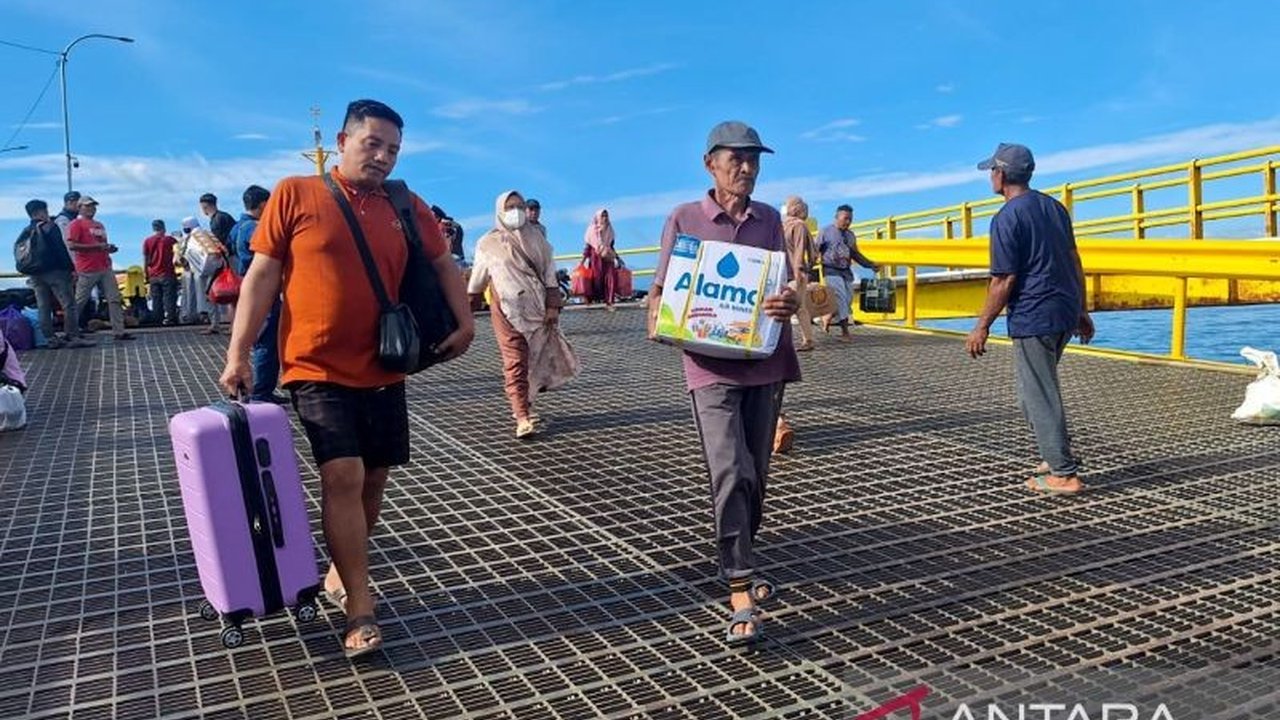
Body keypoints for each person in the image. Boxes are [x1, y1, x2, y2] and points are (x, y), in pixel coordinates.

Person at [219, 98, 474, 658]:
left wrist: (466, 321)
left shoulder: (405, 205)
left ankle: (341, 570)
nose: (383, 157)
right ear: (342, 140)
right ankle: (361, 606)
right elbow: (262, 275)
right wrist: (238, 353)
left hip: (384, 363)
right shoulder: (295, 193)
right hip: (314, 364)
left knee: (374, 480)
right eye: (372, 144)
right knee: (344, 475)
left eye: (393, 150)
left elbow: (441, 264)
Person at [646, 120, 800, 645]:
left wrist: (791, 301)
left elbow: (787, 284)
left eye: (755, 160)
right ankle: (739, 584)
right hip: (709, 366)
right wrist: (661, 320)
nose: (747, 168)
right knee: (729, 470)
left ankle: (741, 557)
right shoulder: (685, 218)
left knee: (756, 474)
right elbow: (663, 289)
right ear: (710, 162)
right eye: (736, 159)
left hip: (765, 361)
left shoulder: (771, 220)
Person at [965, 142, 1095, 495]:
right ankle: (1053, 454)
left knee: (1038, 393)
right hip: (1064, 310)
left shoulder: (1007, 218)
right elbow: (1074, 259)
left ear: (1002, 174)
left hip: (1034, 314)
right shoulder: (1054, 208)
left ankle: (1064, 474)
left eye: (992, 170)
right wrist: (1082, 309)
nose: (990, 176)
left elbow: (1003, 279)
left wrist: (981, 326)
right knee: (1033, 391)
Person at [467, 190, 581, 438]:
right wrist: (468, 308)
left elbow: (550, 275)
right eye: (510, 207)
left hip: (538, 311)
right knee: (515, 360)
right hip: (507, 310)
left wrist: (553, 306)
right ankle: (521, 416)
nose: (516, 212)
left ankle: (526, 403)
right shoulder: (488, 243)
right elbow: (477, 280)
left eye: (519, 206)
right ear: (500, 211)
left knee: (535, 358)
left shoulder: (539, 240)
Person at [229, 185, 283, 402]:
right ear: (263, 205)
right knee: (267, 342)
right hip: (263, 288)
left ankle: (262, 390)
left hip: (244, 284)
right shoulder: (256, 228)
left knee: (261, 337)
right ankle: (262, 391)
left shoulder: (236, 227)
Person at [17, 199, 91, 348]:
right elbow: (61, 250)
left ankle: (49, 339)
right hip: (55, 272)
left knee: (43, 306)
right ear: (41, 211)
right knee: (69, 304)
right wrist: (71, 268)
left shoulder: (26, 231)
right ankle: (73, 336)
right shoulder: (49, 227)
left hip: (35, 273)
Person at [66, 196, 133, 341]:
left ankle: (119, 331)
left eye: (93, 206)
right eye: (88, 206)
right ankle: (70, 331)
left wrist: (109, 249)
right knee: (79, 301)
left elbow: (102, 244)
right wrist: (97, 247)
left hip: (104, 266)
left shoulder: (99, 225)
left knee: (114, 299)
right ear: (80, 208)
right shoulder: (75, 224)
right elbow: (72, 245)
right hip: (87, 268)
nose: (92, 209)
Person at [816, 204, 879, 341]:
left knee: (847, 300)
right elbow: (816, 249)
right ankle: (845, 333)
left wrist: (870, 264)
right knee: (840, 297)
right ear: (837, 217)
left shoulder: (850, 235)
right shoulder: (825, 231)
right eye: (845, 219)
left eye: (850, 219)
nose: (848, 222)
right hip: (830, 270)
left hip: (846, 272)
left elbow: (855, 254)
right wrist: (810, 265)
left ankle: (828, 316)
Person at [782, 196, 817, 352]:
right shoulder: (800, 226)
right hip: (796, 272)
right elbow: (802, 249)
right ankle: (808, 340)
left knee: (782, 307)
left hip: (780, 272)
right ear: (798, 209)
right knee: (800, 308)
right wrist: (803, 268)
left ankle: (779, 341)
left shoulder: (780, 225)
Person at [143, 219, 180, 325]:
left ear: (153, 228)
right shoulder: (170, 240)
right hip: (168, 273)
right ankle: (170, 318)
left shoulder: (147, 241)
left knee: (156, 299)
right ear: (163, 228)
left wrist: (146, 273)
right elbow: (178, 253)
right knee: (169, 297)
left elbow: (146, 259)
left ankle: (157, 319)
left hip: (153, 275)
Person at [583, 208, 618, 310]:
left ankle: (610, 303)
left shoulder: (610, 230)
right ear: (598, 217)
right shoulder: (592, 230)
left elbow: (611, 246)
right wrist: (582, 261)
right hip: (595, 259)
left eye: (606, 216)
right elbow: (588, 247)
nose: (605, 218)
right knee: (595, 280)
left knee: (610, 278)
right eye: (602, 216)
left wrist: (617, 258)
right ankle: (592, 301)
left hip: (607, 257)